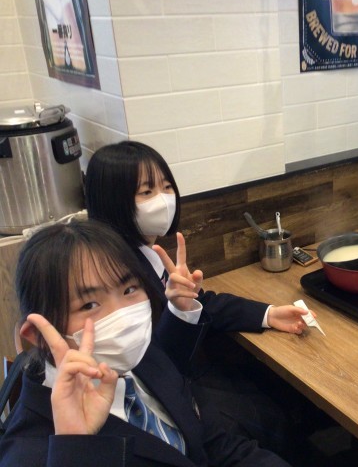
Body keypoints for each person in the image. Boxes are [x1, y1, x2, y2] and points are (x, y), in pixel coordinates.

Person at [84, 141, 316, 458]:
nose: (164, 199)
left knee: (278, 392)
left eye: (167, 187)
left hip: (191, 378)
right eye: (147, 192)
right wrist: (180, 310)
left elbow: (201, 302)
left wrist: (268, 314)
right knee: (277, 407)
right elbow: (152, 362)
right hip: (179, 404)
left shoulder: (145, 254)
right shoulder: (116, 275)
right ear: (113, 200)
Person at [0, 220, 289, 466]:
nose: (124, 318)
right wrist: (76, 448)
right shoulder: (30, 453)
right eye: (89, 305)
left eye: (129, 289)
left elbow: (211, 443)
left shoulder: (140, 355)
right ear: (38, 334)